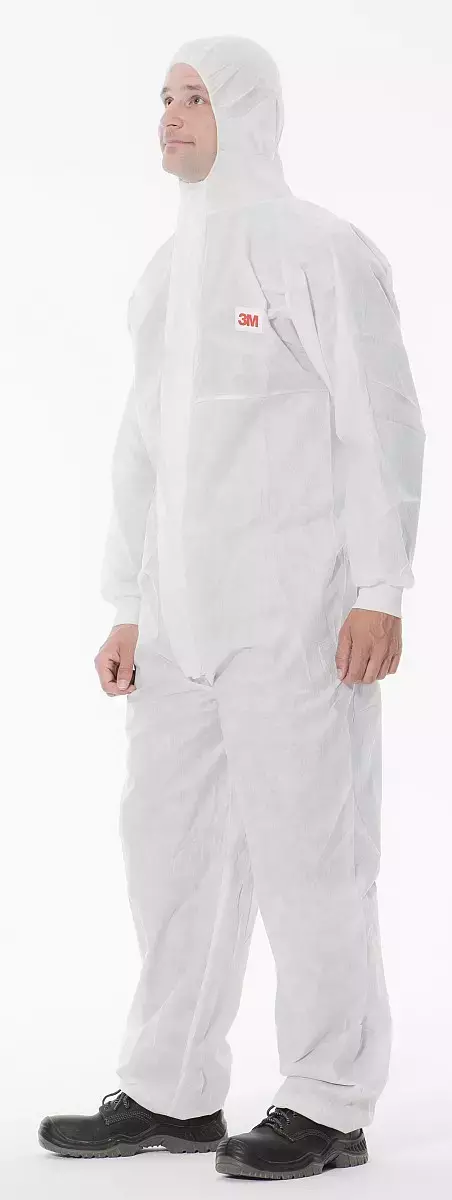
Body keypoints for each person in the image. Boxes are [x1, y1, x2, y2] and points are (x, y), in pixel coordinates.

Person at [38, 35, 425, 1180]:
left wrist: (378, 588)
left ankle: (327, 1100)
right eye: (163, 97)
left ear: (245, 111)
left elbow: (378, 423)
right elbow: (140, 453)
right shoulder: (164, 275)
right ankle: (170, 1088)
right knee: (168, 857)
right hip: (177, 624)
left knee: (313, 858)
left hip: (294, 615)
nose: (169, 116)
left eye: (194, 97)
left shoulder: (317, 250)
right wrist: (125, 603)